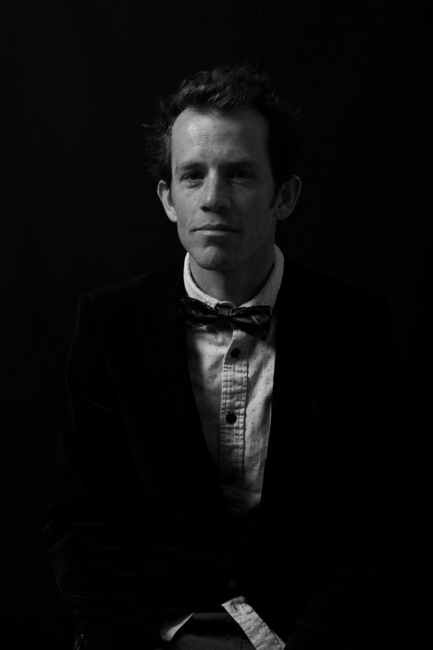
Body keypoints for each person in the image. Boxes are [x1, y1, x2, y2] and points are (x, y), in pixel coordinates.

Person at [43, 63, 410, 650]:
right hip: (156, 626)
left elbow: (386, 520)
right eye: (192, 176)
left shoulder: (354, 326)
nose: (212, 199)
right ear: (168, 198)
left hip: (302, 628)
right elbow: (81, 517)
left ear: (284, 195)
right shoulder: (109, 324)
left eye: (240, 174)